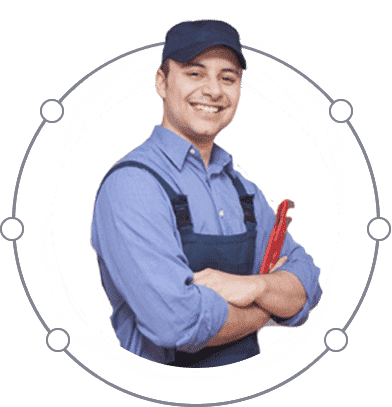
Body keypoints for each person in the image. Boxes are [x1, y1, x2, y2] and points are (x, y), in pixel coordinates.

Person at [91, 19, 322, 368]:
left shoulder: (242, 190)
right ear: (162, 82)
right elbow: (177, 324)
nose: (214, 91)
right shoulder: (132, 186)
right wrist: (270, 302)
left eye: (227, 77)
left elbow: (308, 284)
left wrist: (253, 288)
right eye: (195, 73)